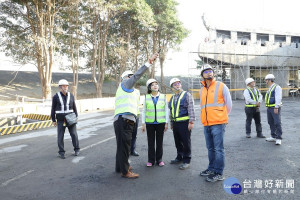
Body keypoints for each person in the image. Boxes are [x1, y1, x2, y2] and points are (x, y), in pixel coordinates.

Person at [114, 53, 159, 179]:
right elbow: (137, 75)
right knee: (125, 146)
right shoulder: (125, 84)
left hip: (123, 120)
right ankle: (125, 171)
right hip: (124, 120)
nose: (132, 78)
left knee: (122, 145)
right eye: (130, 76)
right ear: (126, 78)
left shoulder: (128, 90)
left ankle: (120, 167)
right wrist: (148, 63)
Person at [199, 64, 232, 182]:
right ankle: (211, 168)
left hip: (218, 122)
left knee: (218, 149)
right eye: (206, 71)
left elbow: (229, 104)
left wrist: (223, 117)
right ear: (202, 75)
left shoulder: (221, 86)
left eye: (210, 71)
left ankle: (219, 172)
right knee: (210, 148)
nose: (208, 73)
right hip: (206, 123)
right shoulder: (202, 89)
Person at [169, 78, 195, 170]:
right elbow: (171, 111)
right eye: (175, 84)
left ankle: (186, 160)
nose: (177, 85)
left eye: (178, 83)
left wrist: (191, 121)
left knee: (186, 142)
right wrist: (171, 123)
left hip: (184, 123)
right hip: (176, 123)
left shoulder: (186, 95)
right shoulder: (172, 98)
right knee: (177, 141)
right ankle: (179, 157)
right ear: (172, 87)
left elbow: (191, 108)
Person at [141, 79, 169, 167]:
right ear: (149, 87)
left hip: (160, 123)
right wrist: (143, 123)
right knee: (151, 142)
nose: (155, 86)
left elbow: (166, 110)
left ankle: (159, 160)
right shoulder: (146, 97)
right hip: (150, 123)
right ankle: (151, 160)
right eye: (152, 85)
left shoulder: (163, 96)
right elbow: (144, 111)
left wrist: (166, 123)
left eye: (156, 84)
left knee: (159, 142)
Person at [51, 79, 80, 159]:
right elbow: (53, 108)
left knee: (74, 134)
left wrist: (76, 116)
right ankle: (61, 152)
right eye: (64, 86)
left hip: (71, 119)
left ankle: (77, 149)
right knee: (60, 137)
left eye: (66, 86)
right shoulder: (56, 96)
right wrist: (53, 120)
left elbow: (74, 107)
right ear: (60, 87)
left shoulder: (71, 95)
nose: (65, 87)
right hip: (60, 120)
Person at [264, 74, 283, 145]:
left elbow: (278, 98)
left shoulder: (277, 87)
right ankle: (273, 136)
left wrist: (276, 107)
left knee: (277, 122)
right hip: (269, 108)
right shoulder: (270, 88)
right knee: (270, 122)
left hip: (274, 108)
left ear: (270, 80)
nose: (265, 81)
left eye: (266, 80)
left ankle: (278, 138)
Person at [130, 88, 140, 156]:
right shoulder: (124, 89)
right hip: (128, 116)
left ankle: (132, 150)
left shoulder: (137, 91)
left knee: (134, 134)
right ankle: (126, 151)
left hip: (136, 115)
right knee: (127, 135)